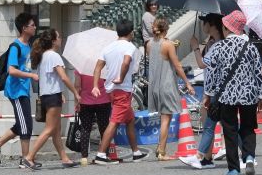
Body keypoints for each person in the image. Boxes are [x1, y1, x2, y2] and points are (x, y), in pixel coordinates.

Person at [203, 10, 262, 175]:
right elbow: (258, 73)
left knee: (229, 130)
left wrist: (208, 94)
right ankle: (249, 157)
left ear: (226, 28)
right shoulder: (250, 46)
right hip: (249, 93)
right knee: (248, 127)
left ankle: (233, 169)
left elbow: (212, 72)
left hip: (226, 95)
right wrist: (261, 96)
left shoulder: (219, 47)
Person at [91, 19, 148, 165]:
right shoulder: (129, 47)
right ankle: (101, 155)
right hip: (122, 89)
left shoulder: (108, 48)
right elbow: (126, 62)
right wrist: (121, 77)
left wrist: (95, 85)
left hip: (110, 89)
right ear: (130, 33)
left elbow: (97, 67)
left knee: (129, 120)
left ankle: (136, 152)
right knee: (114, 122)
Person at [23, 29, 80, 170]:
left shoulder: (44, 56)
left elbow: (49, 79)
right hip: (52, 96)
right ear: (53, 41)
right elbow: (63, 77)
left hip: (46, 95)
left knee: (55, 130)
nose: (61, 39)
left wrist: (59, 93)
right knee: (50, 129)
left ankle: (65, 158)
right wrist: (75, 92)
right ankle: (29, 157)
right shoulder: (54, 56)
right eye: (59, 37)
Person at [0, 13, 39, 165]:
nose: (35, 27)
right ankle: (25, 160)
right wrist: (31, 76)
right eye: (32, 25)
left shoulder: (28, 45)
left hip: (23, 89)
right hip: (16, 90)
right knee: (26, 126)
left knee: (21, 123)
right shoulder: (15, 46)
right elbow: (12, 70)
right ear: (24, 28)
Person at [147, 17, 194, 160]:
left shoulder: (149, 44)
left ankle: (160, 147)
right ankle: (161, 151)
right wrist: (187, 83)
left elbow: (159, 59)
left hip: (154, 84)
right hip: (166, 83)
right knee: (166, 118)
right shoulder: (168, 44)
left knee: (163, 116)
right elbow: (177, 65)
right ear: (166, 29)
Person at [182, 13, 226, 168]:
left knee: (214, 125)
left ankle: (203, 156)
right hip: (214, 89)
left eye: (204, 23)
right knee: (215, 124)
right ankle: (206, 158)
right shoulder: (213, 42)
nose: (202, 26)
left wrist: (195, 47)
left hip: (214, 90)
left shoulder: (216, 44)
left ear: (211, 25)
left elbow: (201, 64)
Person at [74, 67, 111, 165]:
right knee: (104, 128)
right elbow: (109, 83)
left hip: (85, 101)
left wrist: (76, 101)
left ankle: (84, 157)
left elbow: (77, 86)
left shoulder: (80, 66)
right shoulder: (103, 67)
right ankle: (104, 154)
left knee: (85, 128)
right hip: (103, 99)